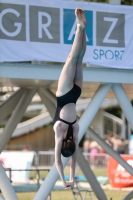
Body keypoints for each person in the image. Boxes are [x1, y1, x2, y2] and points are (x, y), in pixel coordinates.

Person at [53, 8, 87, 189]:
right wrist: (64, 180)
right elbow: (58, 162)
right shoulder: (59, 130)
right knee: (72, 58)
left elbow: (74, 159)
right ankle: (80, 28)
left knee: (79, 59)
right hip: (64, 94)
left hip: (75, 94)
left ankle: (83, 29)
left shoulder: (75, 131)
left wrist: (72, 178)